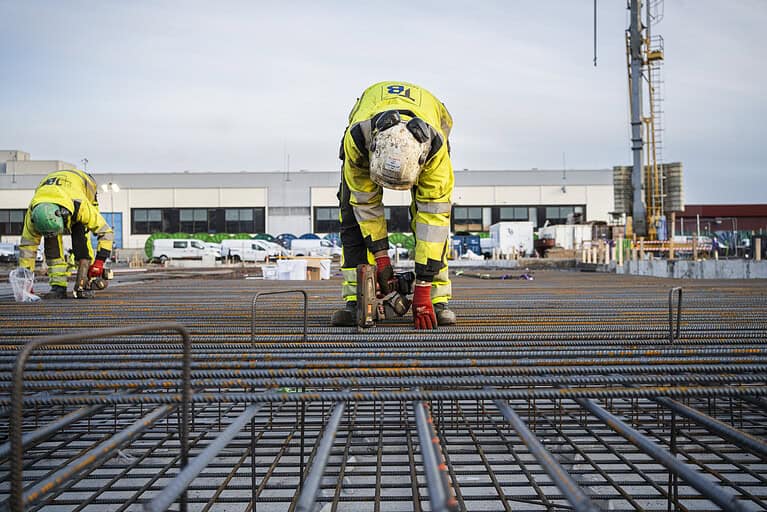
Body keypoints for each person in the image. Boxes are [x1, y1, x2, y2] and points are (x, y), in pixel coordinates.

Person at [331, 81, 456, 329]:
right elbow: (365, 205)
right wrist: (381, 260)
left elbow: (433, 223)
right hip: (368, 137)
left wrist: (421, 287)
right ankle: (359, 298)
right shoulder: (358, 141)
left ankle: (435, 300)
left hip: (427, 135)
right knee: (352, 217)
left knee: (434, 227)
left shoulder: (435, 152)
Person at [17, 168, 114, 299]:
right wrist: (26, 283)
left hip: (84, 185)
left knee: (81, 235)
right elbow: (27, 250)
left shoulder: (80, 205)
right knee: (52, 245)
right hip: (55, 192)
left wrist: (99, 262)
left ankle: (85, 279)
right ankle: (58, 286)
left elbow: (106, 232)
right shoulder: (33, 215)